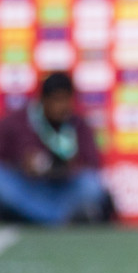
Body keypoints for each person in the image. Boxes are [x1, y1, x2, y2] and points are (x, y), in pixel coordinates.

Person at [0, 73, 112, 225]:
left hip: (63, 189)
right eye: (56, 100)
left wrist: (69, 167)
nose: (62, 106)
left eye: (66, 100)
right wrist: (24, 164)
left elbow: (93, 165)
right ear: (43, 100)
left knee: (92, 185)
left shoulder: (78, 125)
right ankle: (58, 218)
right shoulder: (17, 121)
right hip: (29, 188)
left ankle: (41, 217)